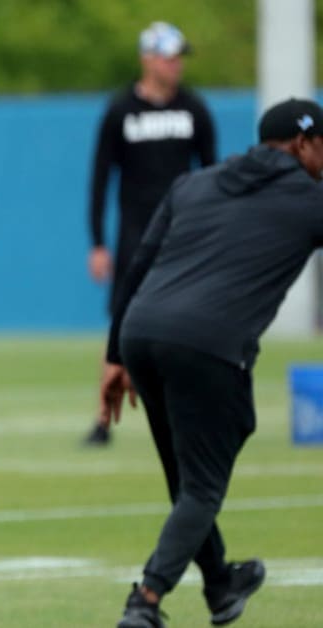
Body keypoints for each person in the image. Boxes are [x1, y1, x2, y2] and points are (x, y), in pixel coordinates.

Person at [99, 97, 323, 627]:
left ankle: (221, 583)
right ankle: (146, 600)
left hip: (141, 335)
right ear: (302, 143)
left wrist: (114, 357)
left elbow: (137, 268)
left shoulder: (194, 185)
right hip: (209, 346)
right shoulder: (311, 198)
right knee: (202, 484)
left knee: (186, 476)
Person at [84, 20, 217, 446]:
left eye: (179, 57)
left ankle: (189, 409)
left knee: (189, 317)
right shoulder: (122, 110)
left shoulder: (194, 109)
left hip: (185, 233)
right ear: (148, 58)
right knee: (121, 323)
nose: (176, 65)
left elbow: (211, 174)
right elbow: (101, 177)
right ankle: (103, 419)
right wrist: (98, 243)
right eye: (168, 56)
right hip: (136, 233)